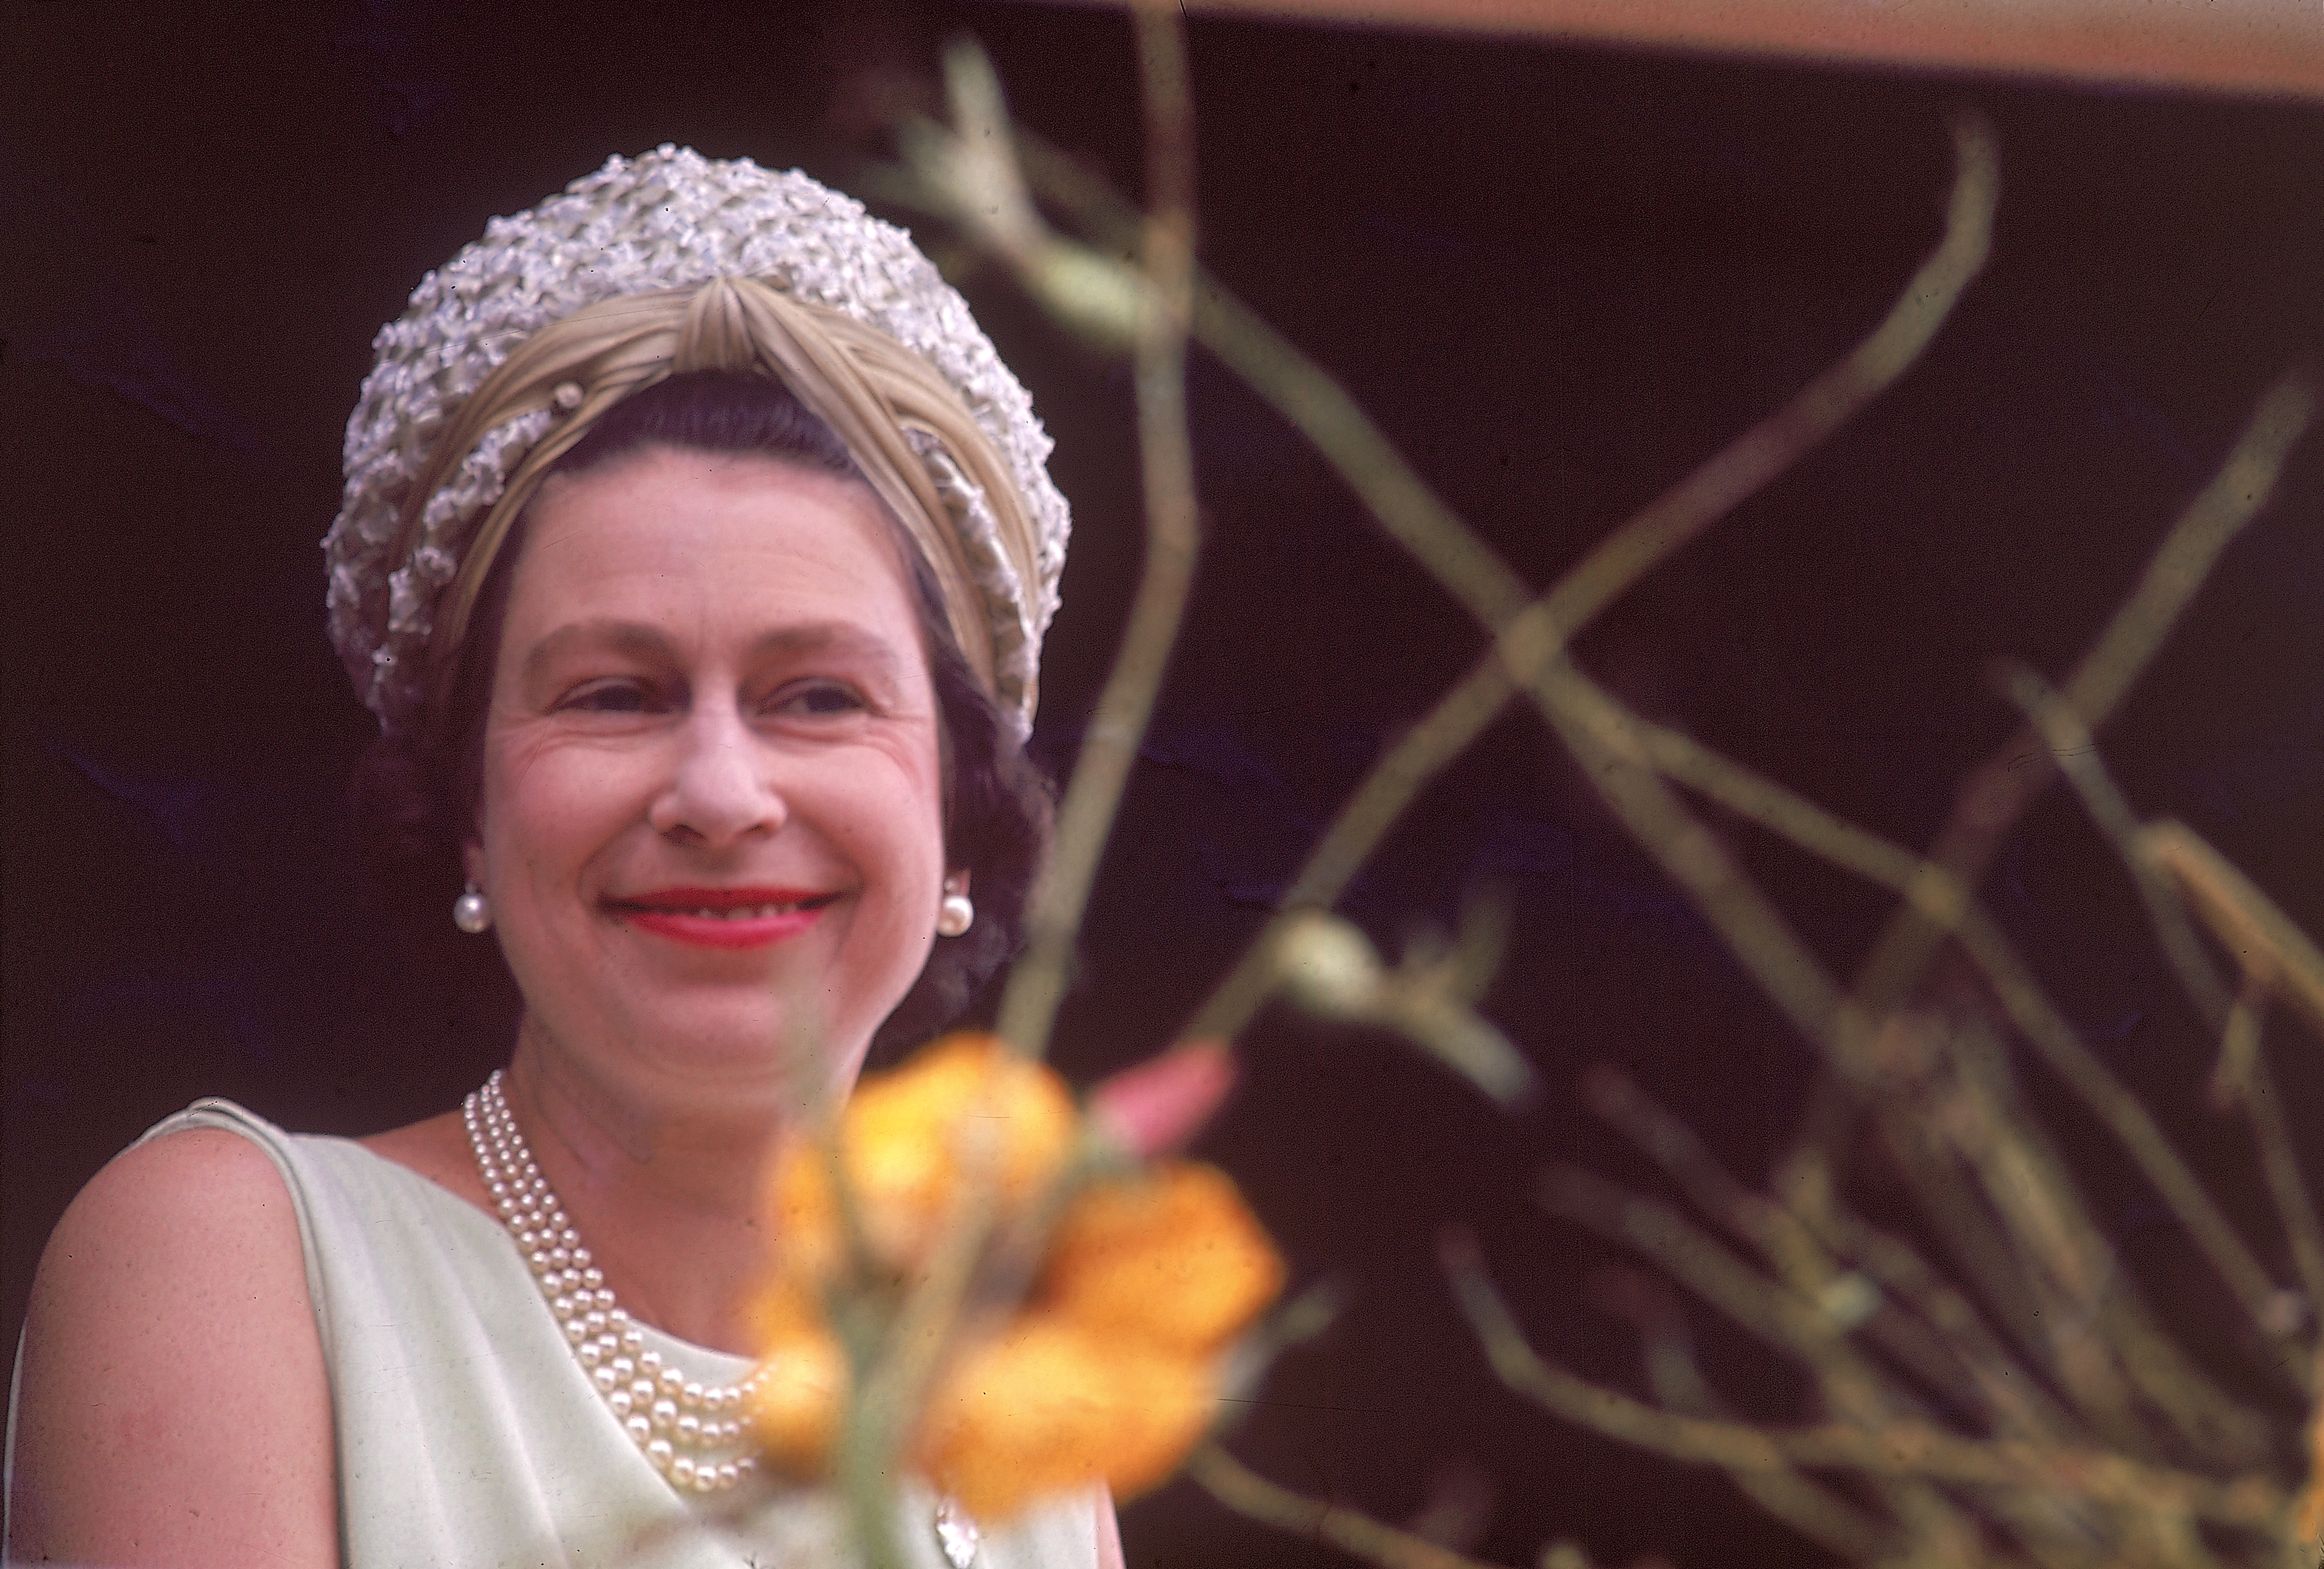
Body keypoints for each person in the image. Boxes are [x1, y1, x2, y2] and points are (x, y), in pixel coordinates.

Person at [6, 146, 1123, 1569]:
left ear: (961, 812)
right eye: (616, 694)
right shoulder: (231, 1265)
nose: (722, 794)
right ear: (466, 808)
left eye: (817, 698)